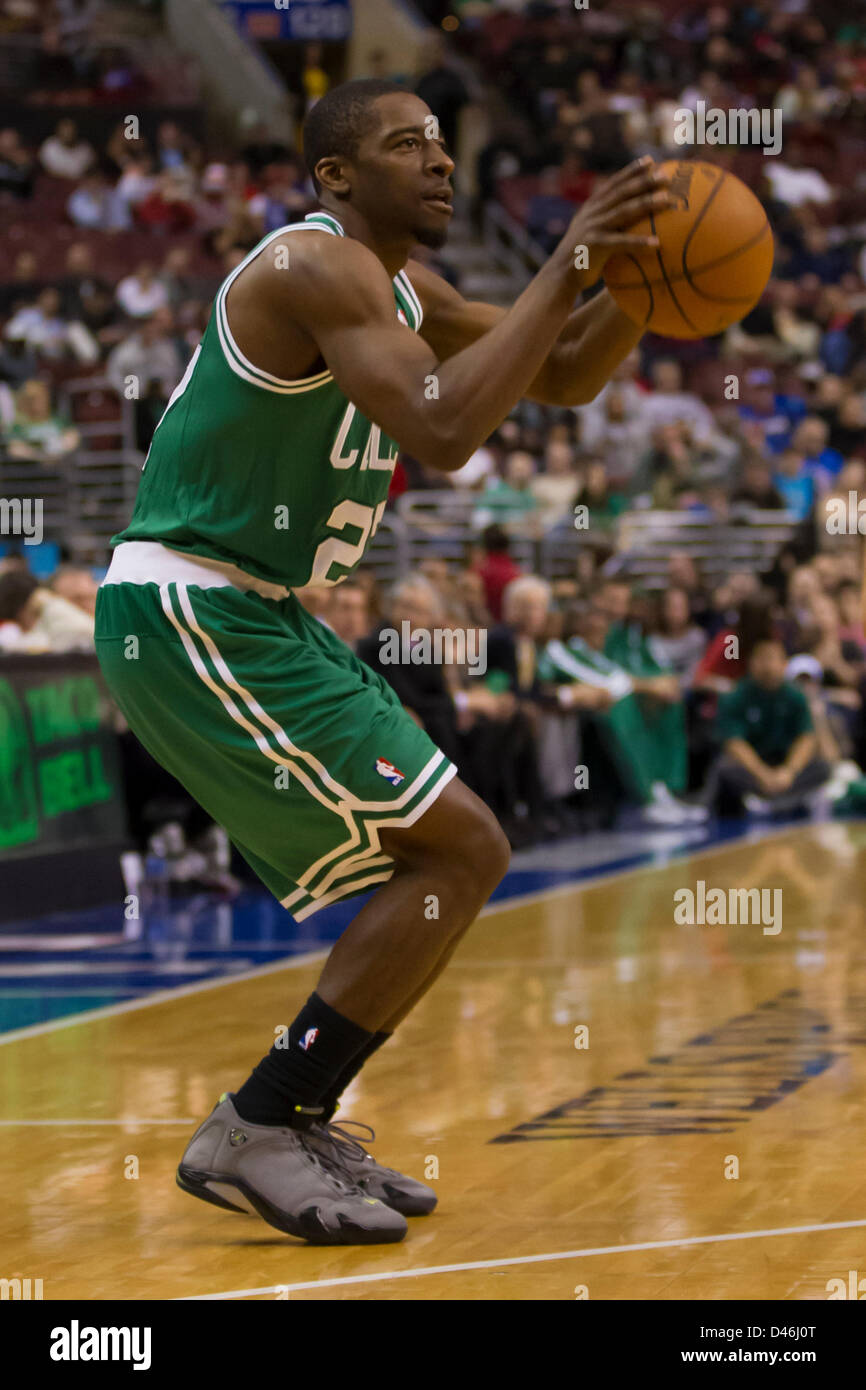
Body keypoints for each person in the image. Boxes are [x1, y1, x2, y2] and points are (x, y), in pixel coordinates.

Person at [93, 77, 675, 1246]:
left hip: (257, 611)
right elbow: (446, 431)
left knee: (462, 851)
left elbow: (555, 373)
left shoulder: (403, 286)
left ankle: (291, 1111)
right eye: (408, 143)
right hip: (189, 603)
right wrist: (568, 258)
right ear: (335, 177)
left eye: (445, 143)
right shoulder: (312, 267)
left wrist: (642, 294)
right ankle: (262, 1121)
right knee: (460, 844)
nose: (440, 160)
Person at [706, 638, 830, 815]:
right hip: (753, 768)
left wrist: (789, 772)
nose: (768, 666)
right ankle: (785, 802)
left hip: (785, 765)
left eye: (772, 658)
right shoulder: (736, 696)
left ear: (784, 663)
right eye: (762, 659)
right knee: (723, 771)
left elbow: (806, 738)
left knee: (823, 768)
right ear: (751, 663)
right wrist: (763, 774)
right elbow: (734, 743)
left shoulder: (796, 696)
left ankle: (770, 804)